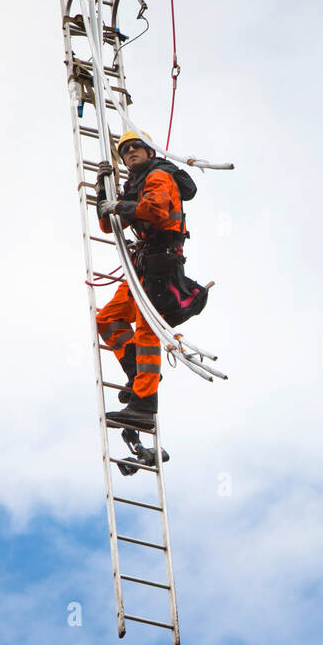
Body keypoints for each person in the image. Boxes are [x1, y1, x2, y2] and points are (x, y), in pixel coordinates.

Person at [94, 129, 199, 431]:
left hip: (161, 263)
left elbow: (154, 210)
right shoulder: (134, 184)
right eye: (125, 151)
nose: (130, 153)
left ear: (150, 152)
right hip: (142, 264)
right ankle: (139, 375)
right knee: (108, 319)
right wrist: (105, 191)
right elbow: (107, 224)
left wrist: (119, 205)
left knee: (147, 332)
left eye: (136, 148)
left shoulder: (159, 176)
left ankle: (144, 404)